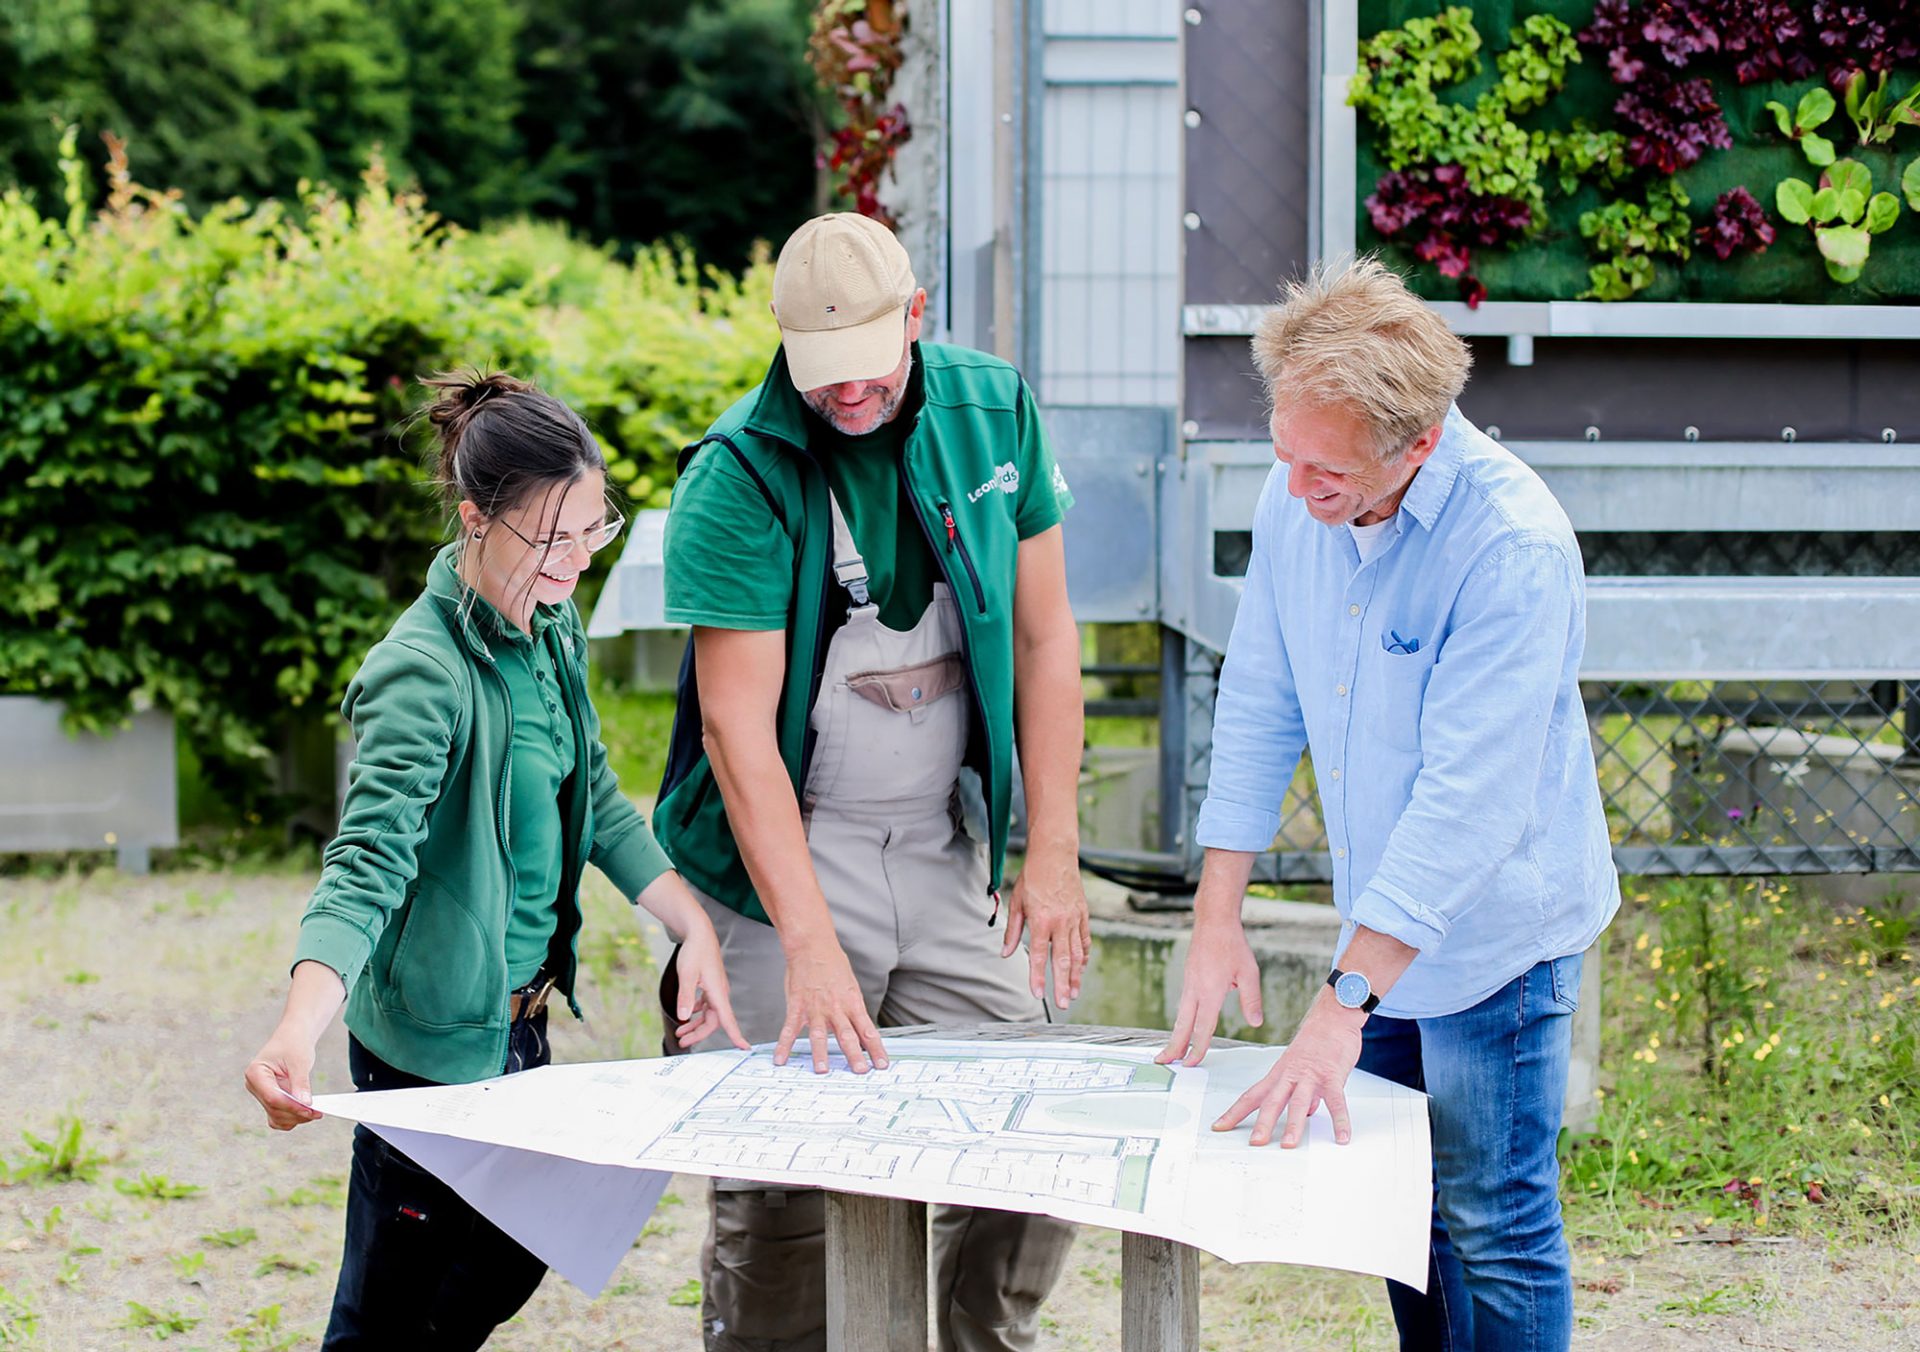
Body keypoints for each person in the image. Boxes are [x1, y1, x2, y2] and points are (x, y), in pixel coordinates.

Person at [1157, 258, 1619, 1352]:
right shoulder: (1299, 489)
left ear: (1417, 444)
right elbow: (1260, 693)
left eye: (1325, 471)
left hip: (1498, 938)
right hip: (1380, 928)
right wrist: (1217, 915)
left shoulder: (1511, 547)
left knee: (1492, 1220)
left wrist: (1341, 1007)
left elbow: (1469, 806)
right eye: (1284, 452)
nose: (1296, 489)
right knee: (1404, 1211)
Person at [243, 371, 746, 1350]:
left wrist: (690, 924)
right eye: (552, 538)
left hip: (521, 1025)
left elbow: (595, 795)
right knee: (383, 1316)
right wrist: (297, 1027)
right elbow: (366, 864)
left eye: (593, 530)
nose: (578, 560)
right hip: (428, 1050)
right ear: (476, 518)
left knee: (513, 1254)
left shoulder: (550, 626)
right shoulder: (420, 673)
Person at [655, 212, 1086, 1352]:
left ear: (916, 317)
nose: (846, 394)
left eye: (868, 365)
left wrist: (1049, 850)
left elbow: (1045, 637)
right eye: (821, 371)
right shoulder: (736, 474)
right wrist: (807, 944)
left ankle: (977, 1339)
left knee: (1036, 1126)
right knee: (780, 1175)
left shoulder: (995, 410)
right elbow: (736, 733)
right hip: (787, 851)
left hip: (942, 838)